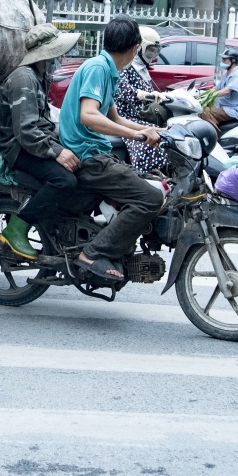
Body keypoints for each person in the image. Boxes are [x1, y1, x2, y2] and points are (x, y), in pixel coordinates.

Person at [53, 15, 165, 282]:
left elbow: (114, 117)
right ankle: (94, 253)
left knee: (149, 183)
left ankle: (116, 249)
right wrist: (135, 135)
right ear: (135, 47)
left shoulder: (108, 69)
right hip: (88, 155)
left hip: (98, 152)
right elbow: (89, 116)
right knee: (151, 199)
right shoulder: (98, 68)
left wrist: (152, 131)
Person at [0, 24, 83, 260]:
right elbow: (26, 131)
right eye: (59, 52)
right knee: (64, 181)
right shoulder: (23, 79)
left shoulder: (38, 76)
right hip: (18, 150)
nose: (61, 57)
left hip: (33, 144)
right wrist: (57, 152)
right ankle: (17, 229)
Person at [112, 27, 168, 175]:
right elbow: (122, 90)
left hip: (140, 115)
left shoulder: (142, 68)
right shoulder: (127, 66)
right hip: (125, 116)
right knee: (148, 139)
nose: (152, 55)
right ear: (139, 47)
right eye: (150, 49)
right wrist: (147, 96)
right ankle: (144, 174)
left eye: (155, 51)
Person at [200, 48, 238, 130]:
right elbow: (216, 89)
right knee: (202, 109)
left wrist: (210, 96)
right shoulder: (226, 74)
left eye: (224, 59)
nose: (222, 62)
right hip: (225, 107)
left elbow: (227, 90)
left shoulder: (237, 75)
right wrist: (202, 95)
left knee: (204, 112)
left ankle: (214, 135)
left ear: (233, 60)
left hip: (234, 110)